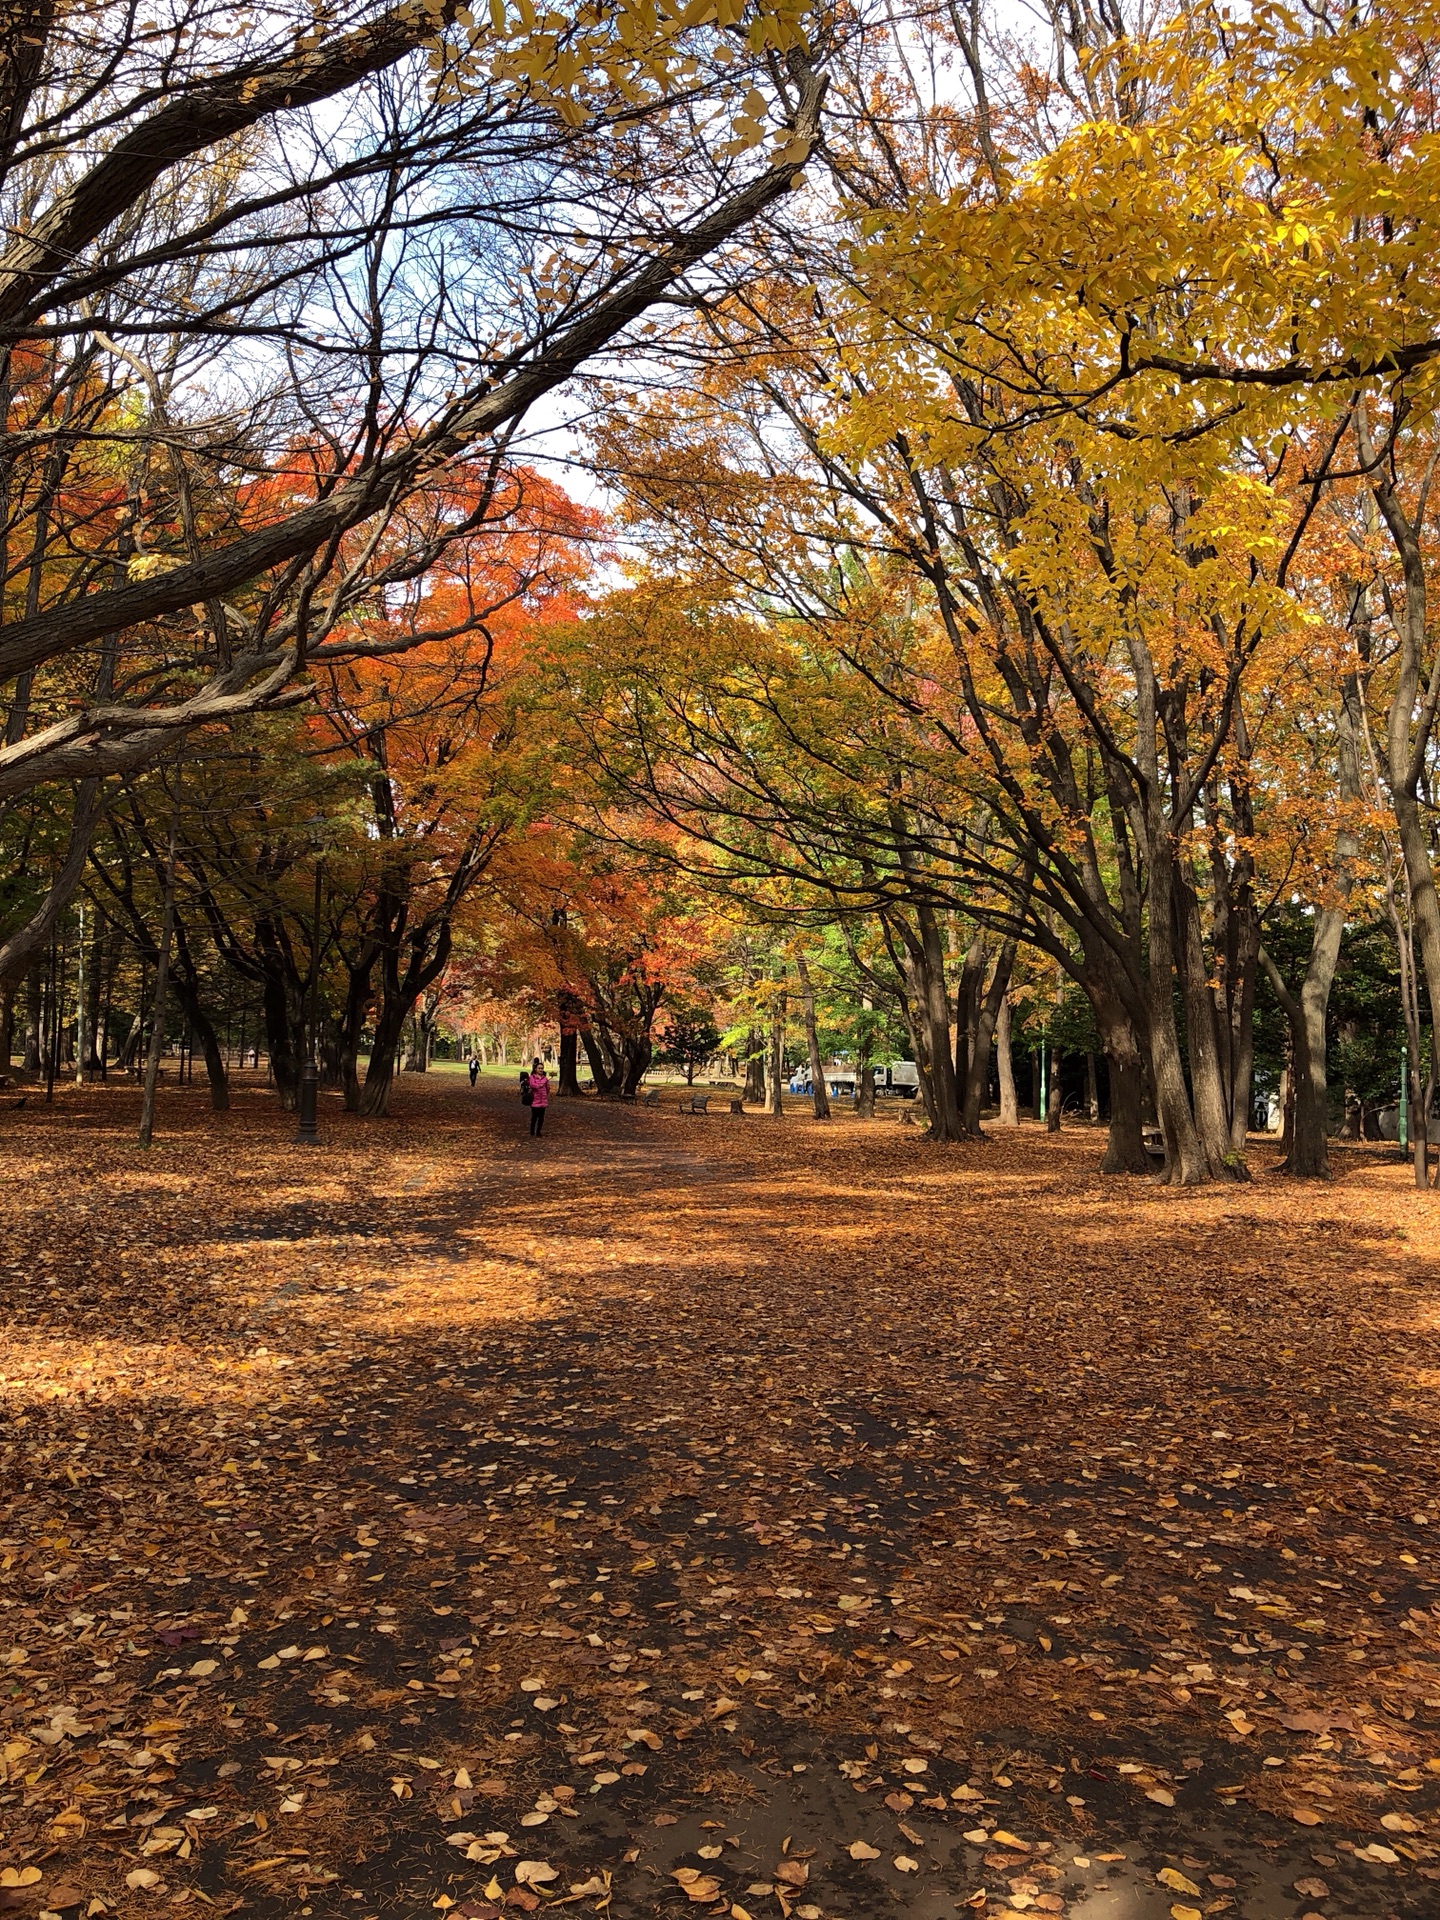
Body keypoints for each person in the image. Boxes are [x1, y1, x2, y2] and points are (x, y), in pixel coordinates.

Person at [527, 1057, 550, 1136]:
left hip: (543, 1100)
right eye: (539, 1068)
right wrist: (540, 1085)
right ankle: (532, 1131)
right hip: (535, 1100)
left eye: (542, 1068)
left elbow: (547, 1088)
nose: (541, 1070)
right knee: (534, 1116)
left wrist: (545, 1093)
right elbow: (533, 1085)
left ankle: (538, 1131)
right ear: (536, 1069)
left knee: (541, 1117)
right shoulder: (532, 1077)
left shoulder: (545, 1078)